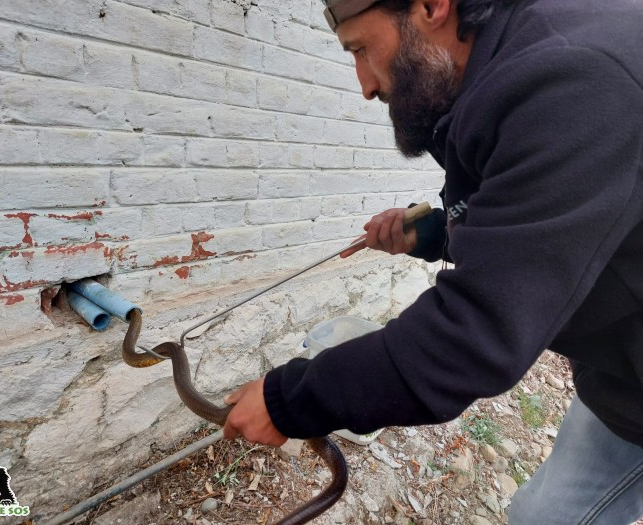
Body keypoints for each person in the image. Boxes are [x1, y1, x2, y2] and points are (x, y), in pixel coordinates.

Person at [222, 0, 643, 522]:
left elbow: (476, 333)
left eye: (360, 49)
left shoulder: (576, 81)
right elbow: (546, 216)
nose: (365, 86)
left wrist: (291, 399)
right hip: (622, 369)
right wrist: (433, 232)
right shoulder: (512, 64)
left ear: (431, 6)